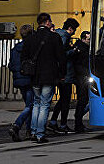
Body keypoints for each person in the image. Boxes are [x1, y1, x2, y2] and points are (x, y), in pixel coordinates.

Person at [22, 13, 66, 143]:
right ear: (47, 22)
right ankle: (40, 133)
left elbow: (24, 57)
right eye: (50, 21)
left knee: (36, 103)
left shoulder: (30, 38)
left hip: (34, 76)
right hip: (49, 75)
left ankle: (34, 131)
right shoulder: (54, 37)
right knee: (45, 104)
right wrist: (62, 74)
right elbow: (61, 58)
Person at [48, 18, 80, 134]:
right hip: (65, 73)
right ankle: (63, 124)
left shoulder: (57, 34)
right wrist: (74, 51)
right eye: (74, 30)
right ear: (70, 28)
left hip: (60, 73)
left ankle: (53, 122)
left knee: (63, 100)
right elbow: (62, 55)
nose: (75, 33)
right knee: (65, 100)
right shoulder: (64, 36)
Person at [8, 25, 34, 141]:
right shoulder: (30, 47)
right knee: (30, 105)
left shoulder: (15, 48)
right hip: (28, 78)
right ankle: (17, 125)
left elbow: (11, 65)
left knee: (29, 105)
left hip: (19, 79)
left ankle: (28, 130)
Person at [72, 31, 91, 132]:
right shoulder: (81, 49)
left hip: (82, 77)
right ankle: (78, 122)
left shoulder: (82, 47)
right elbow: (79, 65)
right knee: (83, 100)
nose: (90, 41)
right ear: (83, 39)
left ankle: (78, 121)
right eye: (88, 39)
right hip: (82, 78)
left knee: (84, 100)